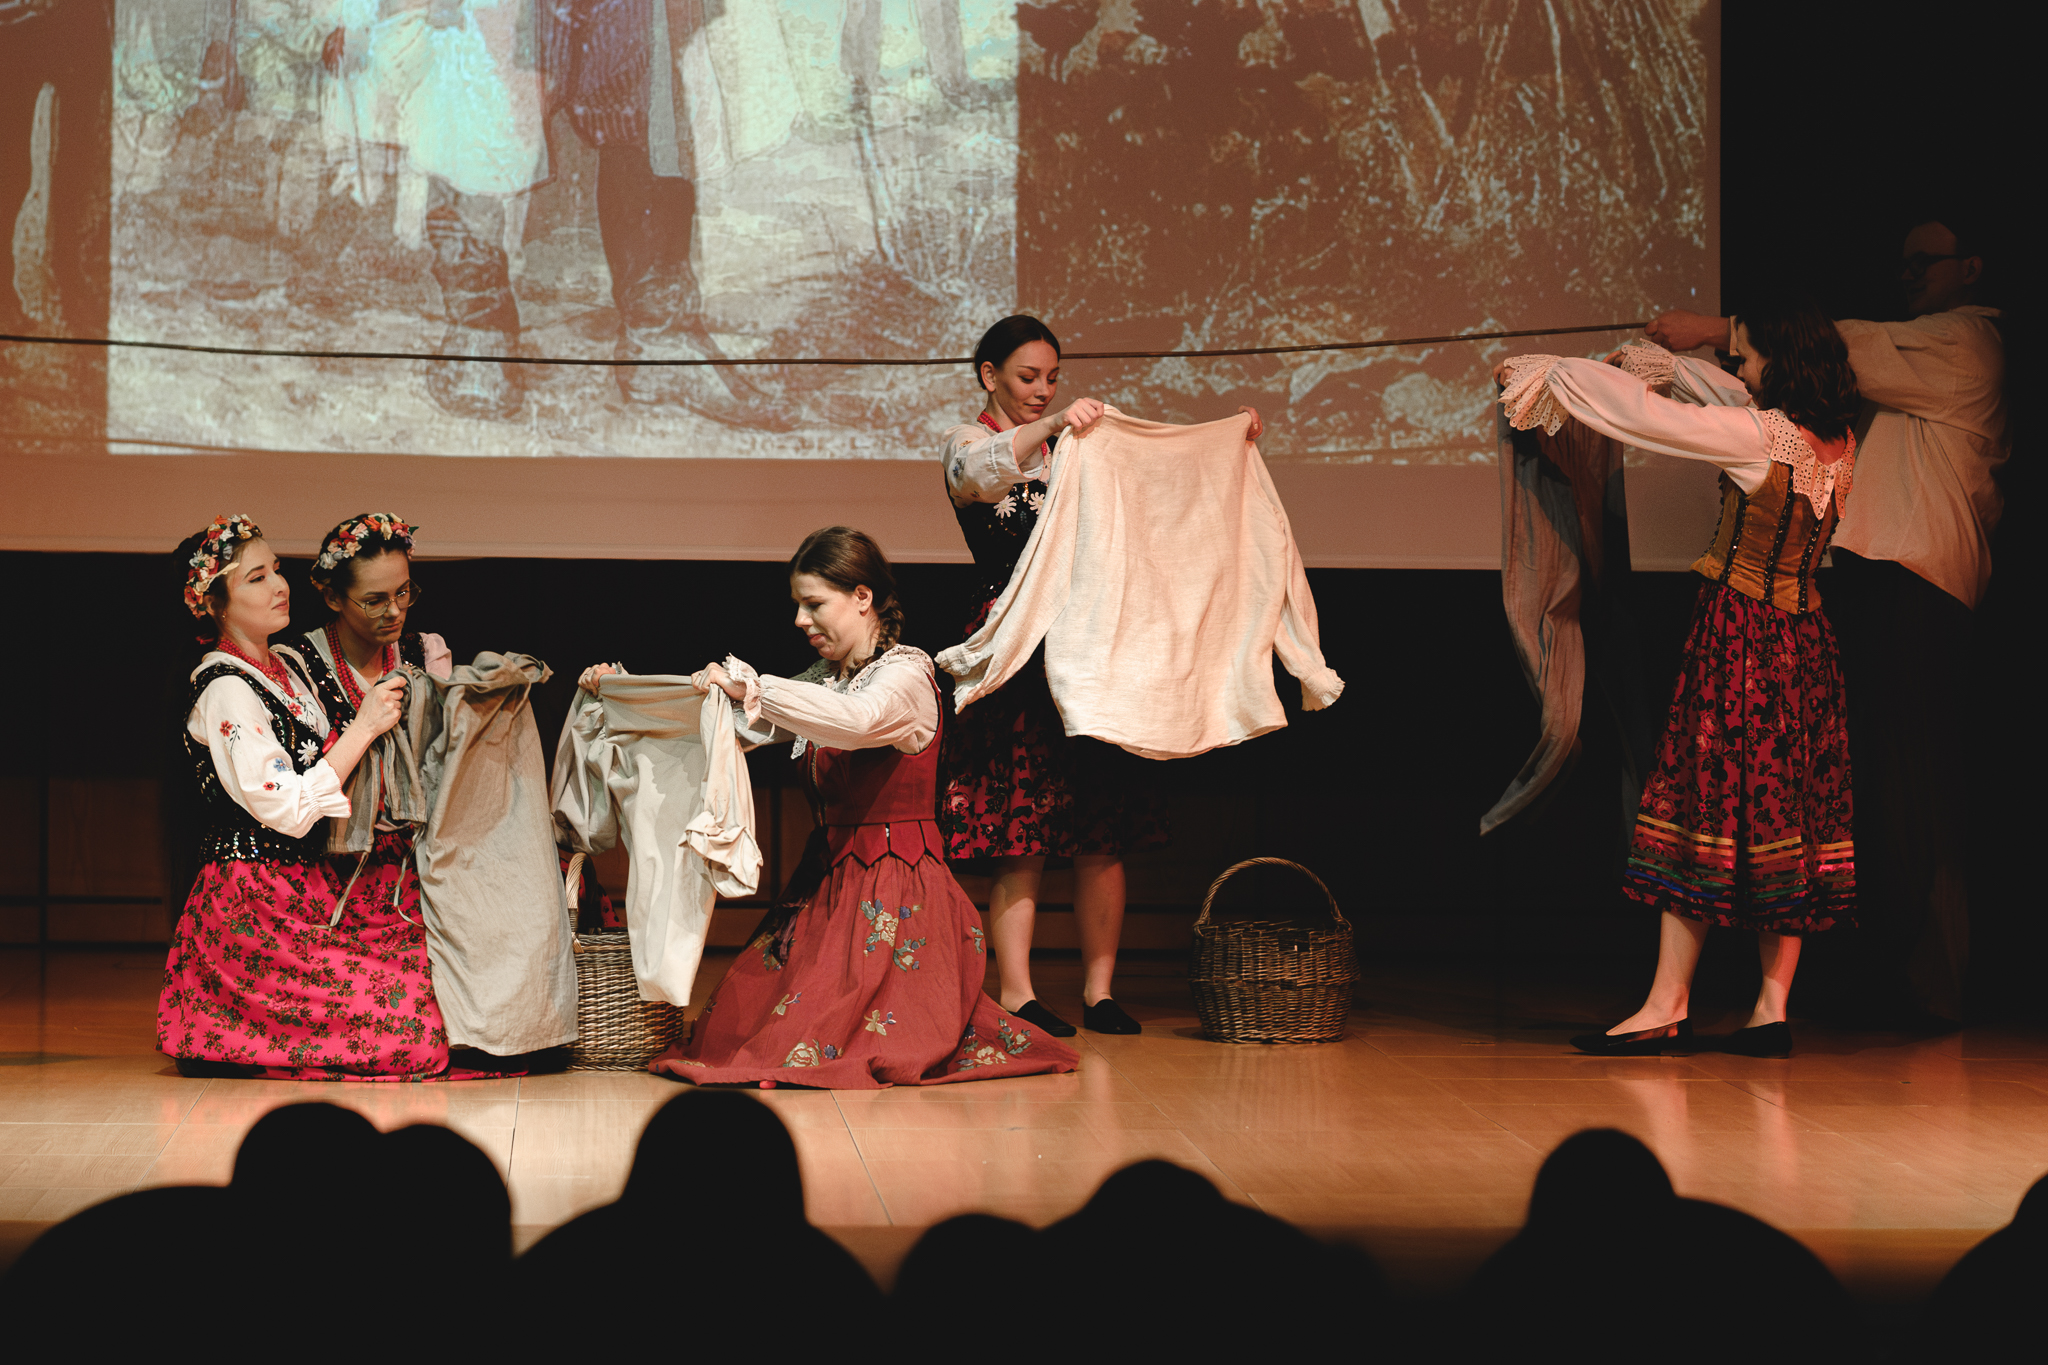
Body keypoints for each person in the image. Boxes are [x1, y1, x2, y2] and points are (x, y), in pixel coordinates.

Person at [1649, 218, 2006, 1022]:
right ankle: (1881, 978)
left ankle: (1934, 985)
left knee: (1914, 783)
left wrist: (1717, 329)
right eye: (1903, 262)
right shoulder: (1890, 377)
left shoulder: (1966, 343)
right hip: (1889, 579)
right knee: (1869, 784)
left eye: (1925, 261)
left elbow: (1844, 347)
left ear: (1972, 268)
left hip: (1923, 579)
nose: (1908, 274)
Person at [1493, 300, 1862, 1058]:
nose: (1739, 370)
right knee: (1784, 820)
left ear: (1782, 363)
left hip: (1743, 642)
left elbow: (1657, 421)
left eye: (1747, 356)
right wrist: (1668, 367)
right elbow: (1726, 398)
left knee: (1700, 805)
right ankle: (1771, 1009)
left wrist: (1558, 374)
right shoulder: (1837, 440)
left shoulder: (1762, 437)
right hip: (1805, 648)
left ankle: (1667, 1003)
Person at [585, 526, 1078, 1087]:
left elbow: (857, 721)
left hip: (897, 889)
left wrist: (754, 687)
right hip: (829, 881)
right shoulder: (828, 680)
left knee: (832, 1038)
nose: (800, 620)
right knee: (738, 1032)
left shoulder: (905, 677)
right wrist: (624, 692)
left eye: (814, 604)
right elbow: (726, 725)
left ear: (862, 597)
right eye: (798, 605)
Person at [936, 314, 1262, 1036]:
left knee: (1101, 828)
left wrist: (1226, 441)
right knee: (1022, 830)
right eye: (1028, 377)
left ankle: (1100, 989)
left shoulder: (1082, 452)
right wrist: (1054, 422)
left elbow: (1160, 489)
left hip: (1094, 646)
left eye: (1052, 379)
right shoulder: (967, 442)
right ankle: (1017, 991)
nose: (1042, 389)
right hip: (1018, 650)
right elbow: (979, 474)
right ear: (989, 375)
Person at [157, 514, 456, 1079]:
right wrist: (364, 727)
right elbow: (290, 809)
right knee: (413, 1031)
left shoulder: (283, 671)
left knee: (443, 978)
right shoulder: (225, 688)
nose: (279, 585)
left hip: (313, 885)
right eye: (256, 578)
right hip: (256, 903)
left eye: (275, 570)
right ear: (215, 605)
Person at [300, 512, 450, 717]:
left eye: (402, 593)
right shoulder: (300, 667)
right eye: (374, 601)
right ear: (333, 598)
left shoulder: (425, 653)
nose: (394, 611)